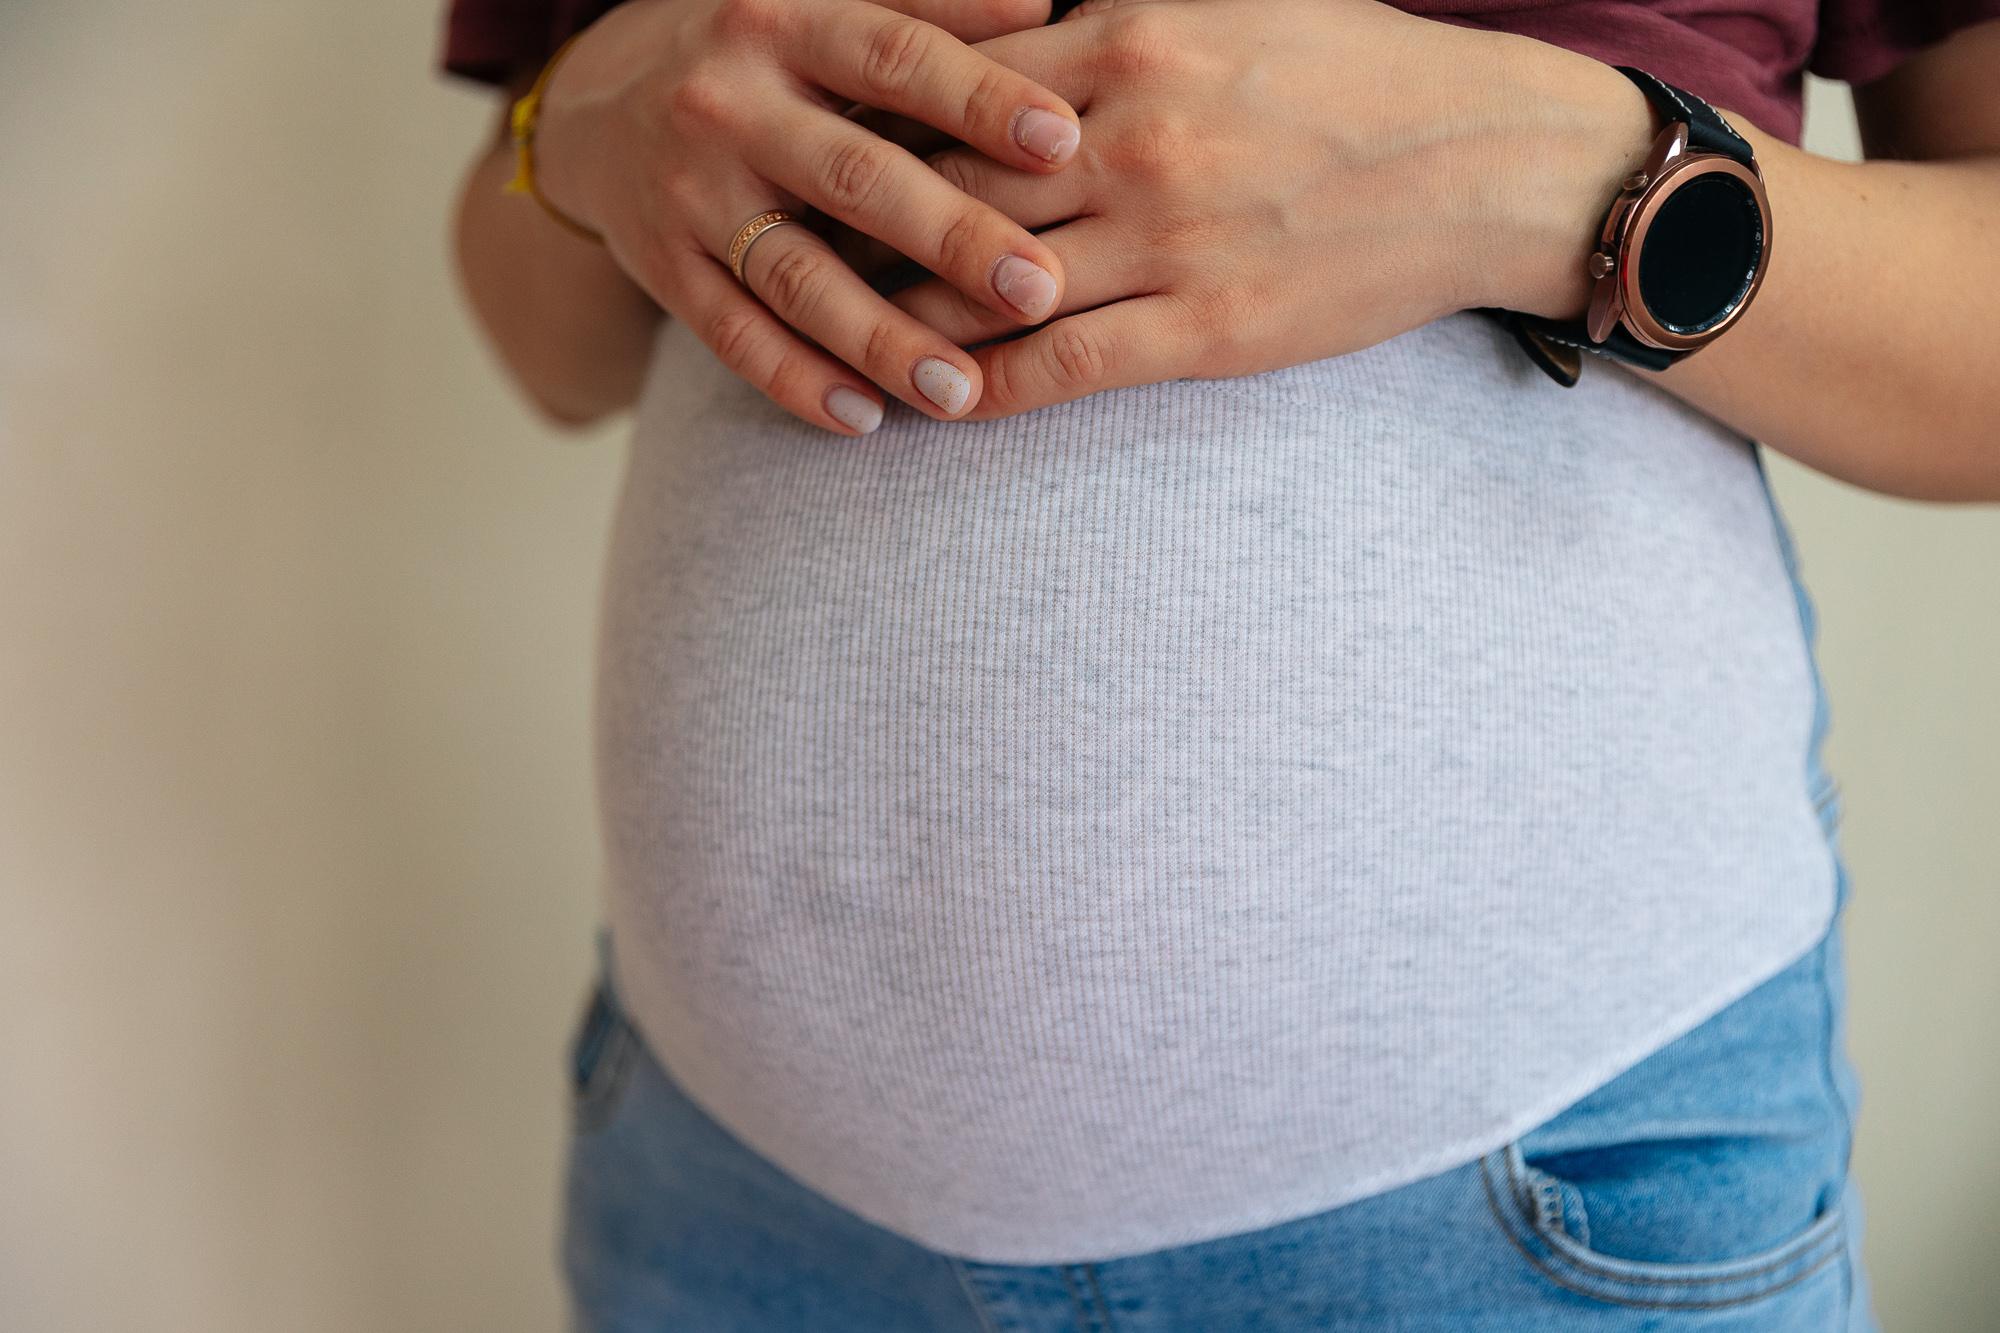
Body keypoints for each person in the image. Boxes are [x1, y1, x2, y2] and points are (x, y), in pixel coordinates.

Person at [441, 0, 1999, 1326]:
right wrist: (573, 133)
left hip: (1537, 1204)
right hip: (733, 1204)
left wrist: (1533, 173)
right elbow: (547, 347)